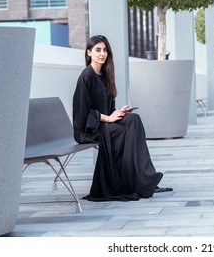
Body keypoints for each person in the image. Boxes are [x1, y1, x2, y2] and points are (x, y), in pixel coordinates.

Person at [72, 35, 172, 202]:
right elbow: (81, 115)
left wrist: (118, 113)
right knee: (125, 130)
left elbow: (108, 108)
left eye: (105, 50)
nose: (102, 54)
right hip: (87, 129)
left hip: (102, 122)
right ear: (89, 52)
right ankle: (132, 181)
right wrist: (109, 119)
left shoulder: (104, 76)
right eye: (97, 50)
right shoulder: (86, 76)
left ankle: (144, 178)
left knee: (134, 120)